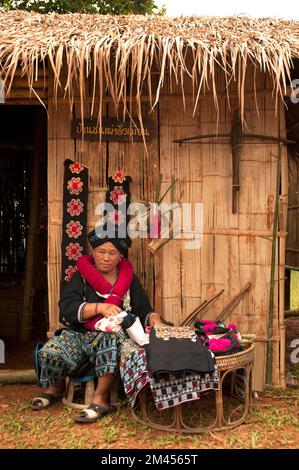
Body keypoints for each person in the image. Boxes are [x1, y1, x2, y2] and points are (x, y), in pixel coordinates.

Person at [31, 230, 162, 423]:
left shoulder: (128, 280)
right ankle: (54, 387)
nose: (106, 257)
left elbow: (144, 310)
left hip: (113, 335)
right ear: (94, 253)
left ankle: (101, 398)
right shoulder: (81, 277)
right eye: (101, 252)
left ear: (120, 257)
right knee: (52, 349)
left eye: (112, 253)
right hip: (80, 333)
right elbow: (66, 308)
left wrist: (155, 319)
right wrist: (100, 307)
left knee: (109, 340)